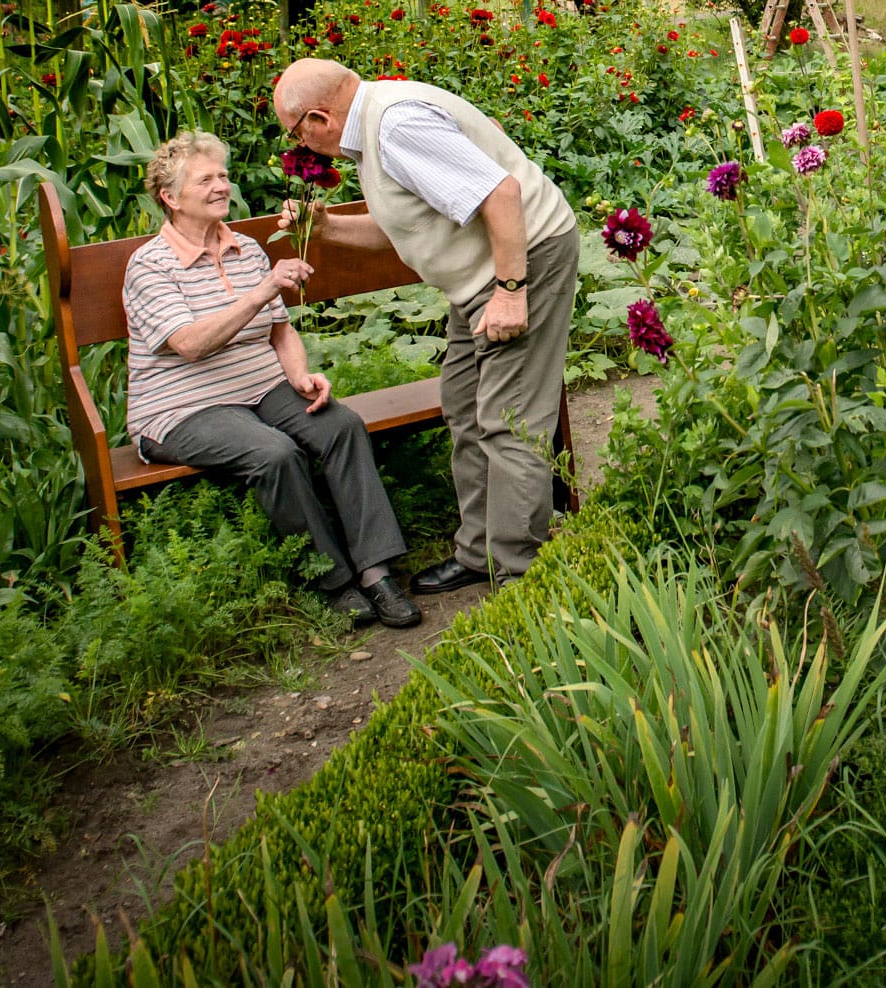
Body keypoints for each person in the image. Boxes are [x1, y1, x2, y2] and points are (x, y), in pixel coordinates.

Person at [271, 56, 577, 591]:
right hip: (477, 279)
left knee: (511, 420)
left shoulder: (396, 126)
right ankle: (479, 551)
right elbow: (408, 223)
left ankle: (519, 573)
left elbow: (500, 194)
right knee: (463, 406)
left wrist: (509, 292)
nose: (301, 146)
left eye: (296, 133)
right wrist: (327, 228)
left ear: (319, 117)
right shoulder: (374, 125)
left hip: (520, 265)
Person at [121, 130, 420, 628]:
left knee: (340, 425)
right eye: (205, 179)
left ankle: (375, 572)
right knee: (272, 453)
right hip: (182, 410)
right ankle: (331, 580)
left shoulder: (246, 248)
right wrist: (261, 291)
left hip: (259, 389)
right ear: (170, 198)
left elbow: (281, 334)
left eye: (222, 174)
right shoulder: (150, 266)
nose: (221, 185)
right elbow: (191, 344)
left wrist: (301, 375)